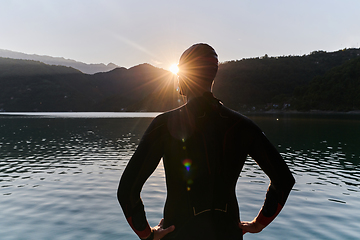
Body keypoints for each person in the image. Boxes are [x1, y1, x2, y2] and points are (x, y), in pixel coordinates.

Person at [117, 43, 295, 240]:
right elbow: (284, 179)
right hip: (227, 233)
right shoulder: (243, 126)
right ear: (213, 77)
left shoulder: (164, 125)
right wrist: (259, 223)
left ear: (182, 76)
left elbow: (127, 190)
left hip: (180, 233)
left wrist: (147, 234)